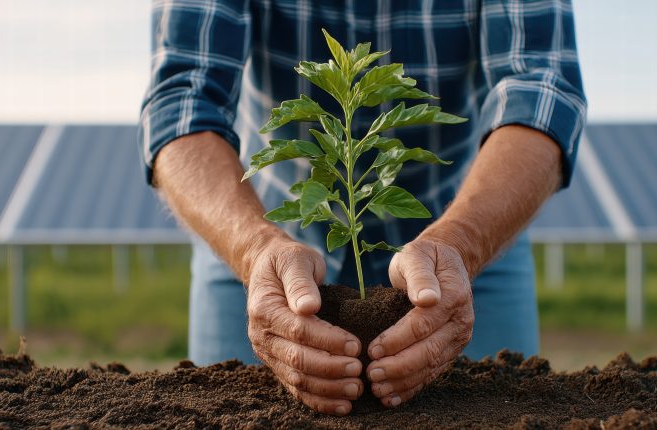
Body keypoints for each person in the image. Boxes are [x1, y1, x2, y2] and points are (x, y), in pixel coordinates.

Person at [139, 0, 586, 416]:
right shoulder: (259, 247)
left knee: (501, 412)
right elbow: (183, 98)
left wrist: (462, 244)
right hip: (263, 237)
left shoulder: (465, 244)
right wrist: (254, 251)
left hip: (467, 238)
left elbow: (540, 88)